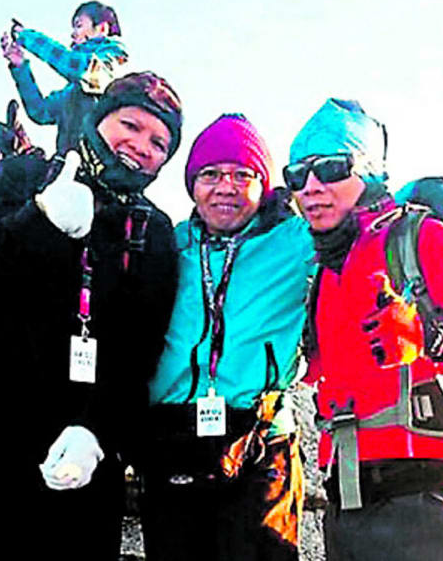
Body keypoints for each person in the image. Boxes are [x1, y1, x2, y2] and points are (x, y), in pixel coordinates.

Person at [0, 72, 182, 560]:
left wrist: (97, 431)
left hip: (77, 440)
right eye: (130, 125)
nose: (141, 146)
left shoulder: (152, 231)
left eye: (159, 143)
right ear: (100, 120)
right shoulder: (22, 176)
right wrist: (39, 220)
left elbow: (139, 351)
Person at [285, 98, 443, 560]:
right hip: (344, 502)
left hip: (423, 500)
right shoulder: (324, 270)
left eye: (331, 168)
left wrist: (428, 334)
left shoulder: (422, 237)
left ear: (370, 171)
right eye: (297, 175)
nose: (310, 186)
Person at [141, 114, 315, 561]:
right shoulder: (168, 243)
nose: (226, 187)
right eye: (211, 174)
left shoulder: (298, 241)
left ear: (265, 185)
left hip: (260, 438)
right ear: (192, 185)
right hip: (171, 436)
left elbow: (357, 233)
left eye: (243, 175)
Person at [0, 0, 128, 159]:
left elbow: (80, 69)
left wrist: (28, 37)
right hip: (70, 162)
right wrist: (20, 66)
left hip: (103, 162)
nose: (73, 34)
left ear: (102, 28)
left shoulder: (115, 60)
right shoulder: (73, 91)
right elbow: (40, 111)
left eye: (79, 26)